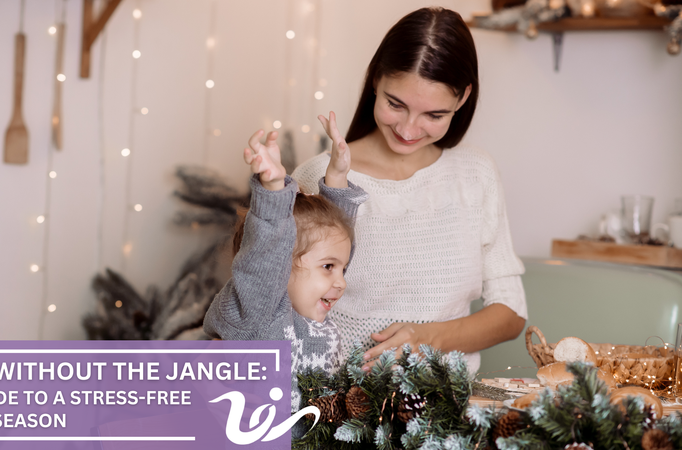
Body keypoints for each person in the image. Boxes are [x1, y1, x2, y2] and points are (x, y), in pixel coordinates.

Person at [292, 7, 527, 376]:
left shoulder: (475, 173)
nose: (408, 129)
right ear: (375, 81)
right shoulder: (320, 177)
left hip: (447, 418)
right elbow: (277, 307)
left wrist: (427, 337)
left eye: (434, 115)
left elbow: (511, 314)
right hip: (335, 412)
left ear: (463, 98)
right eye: (395, 104)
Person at [203, 122, 368, 411]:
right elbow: (265, 260)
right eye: (329, 267)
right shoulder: (260, 317)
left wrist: (338, 179)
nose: (341, 281)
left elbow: (328, 242)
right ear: (279, 267)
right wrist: (273, 191)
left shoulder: (315, 322)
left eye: (342, 269)